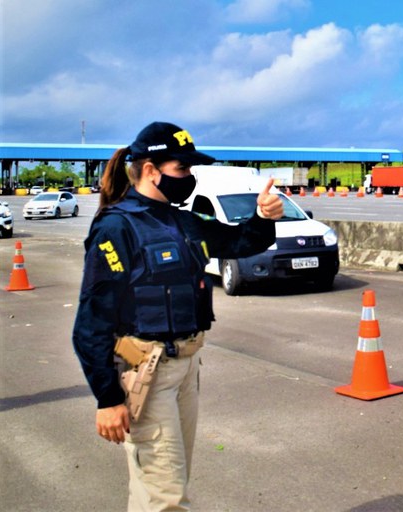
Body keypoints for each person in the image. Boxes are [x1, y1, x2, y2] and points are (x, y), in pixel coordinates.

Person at [72, 121, 284, 511]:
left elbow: (238, 241)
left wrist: (264, 215)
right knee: (166, 497)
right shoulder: (117, 227)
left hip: (186, 368)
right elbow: (91, 322)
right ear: (150, 170)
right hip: (147, 370)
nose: (189, 177)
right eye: (181, 168)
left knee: (161, 487)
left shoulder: (181, 220)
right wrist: (107, 398)